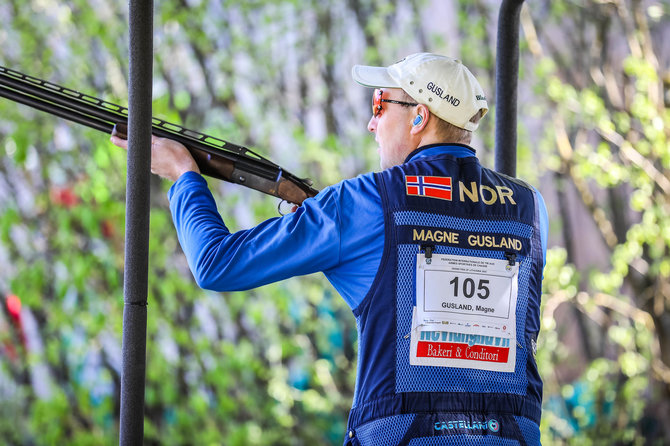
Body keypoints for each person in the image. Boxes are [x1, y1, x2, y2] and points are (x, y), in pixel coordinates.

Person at [111, 52, 548, 445]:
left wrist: (183, 175)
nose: (371, 124)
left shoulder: (366, 202)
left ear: (419, 117)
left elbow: (215, 264)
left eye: (380, 105)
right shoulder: (530, 207)